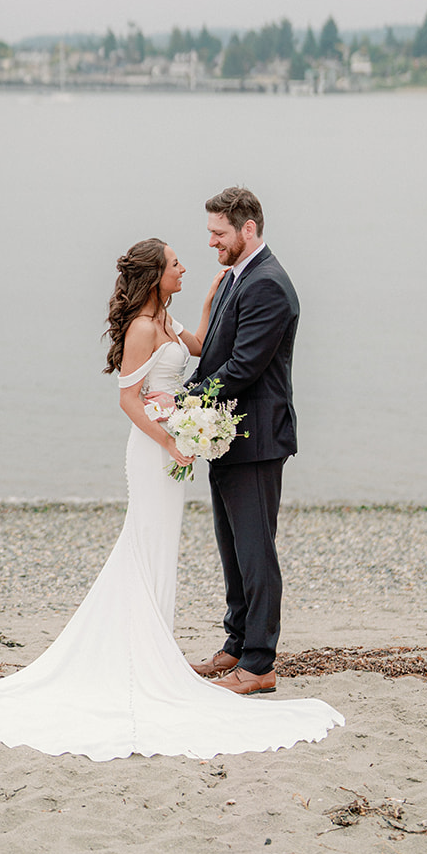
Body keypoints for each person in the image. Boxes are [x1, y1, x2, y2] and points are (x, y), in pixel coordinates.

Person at [0, 237, 342, 760]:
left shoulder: (167, 322)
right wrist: (171, 439)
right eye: (175, 264)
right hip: (151, 453)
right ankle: (143, 659)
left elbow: (201, 349)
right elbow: (128, 398)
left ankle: (159, 653)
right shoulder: (143, 328)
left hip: (172, 452)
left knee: (160, 548)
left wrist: (214, 303)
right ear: (155, 276)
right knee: (145, 544)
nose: (185, 266)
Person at [185, 186, 299, 695]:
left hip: (255, 438)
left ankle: (259, 664)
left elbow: (243, 367)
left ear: (247, 229)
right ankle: (235, 643)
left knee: (256, 551)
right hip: (226, 436)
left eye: (218, 233)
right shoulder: (238, 276)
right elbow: (215, 350)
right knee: (231, 547)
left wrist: (186, 400)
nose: (211, 242)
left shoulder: (268, 284)